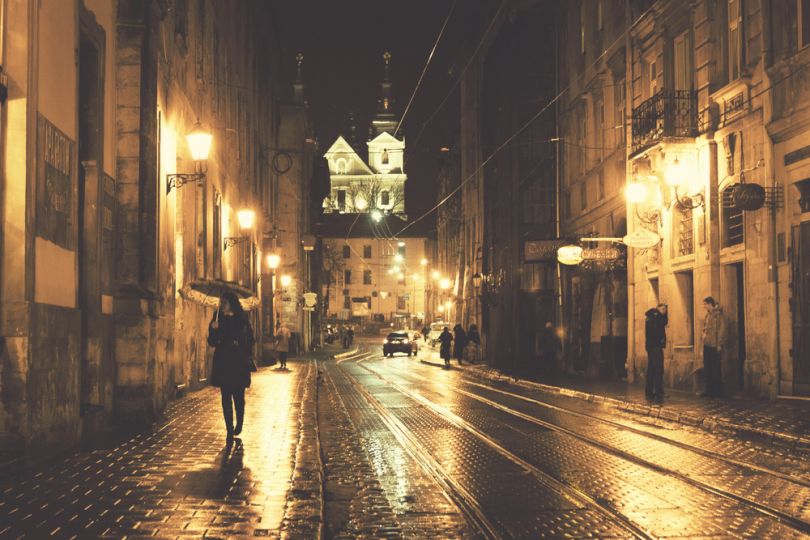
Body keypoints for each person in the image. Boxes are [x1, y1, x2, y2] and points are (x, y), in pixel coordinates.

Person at [208, 292, 254, 443]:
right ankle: (229, 428)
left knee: (238, 395)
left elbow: (250, 340)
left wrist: (241, 345)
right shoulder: (217, 318)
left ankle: (239, 422)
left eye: (225, 302)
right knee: (225, 395)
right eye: (221, 302)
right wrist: (213, 330)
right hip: (223, 360)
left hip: (238, 361)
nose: (222, 305)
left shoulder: (242, 319)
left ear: (232, 303)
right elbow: (213, 342)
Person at [701, 296, 726, 397]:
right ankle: (709, 390)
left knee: (715, 368)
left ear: (710, 304)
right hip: (707, 344)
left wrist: (719, 344)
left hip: (714, 344)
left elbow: (721, 330)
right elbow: (705, 328)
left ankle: (717, 391)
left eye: (705, 304)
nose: (704, 306)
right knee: (707, 368)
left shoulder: (718, 315)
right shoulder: (707, 316)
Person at [644, 304, 668, 403]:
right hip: (655, 347)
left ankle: (649, 391)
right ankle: (658, 392)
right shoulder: (656, 317)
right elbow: (661, 326)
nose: (664, 311)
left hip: (651, 346)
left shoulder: (651, 317)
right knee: (658, 369)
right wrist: (660, 340)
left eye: (665, 310)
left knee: (651, 369)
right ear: (658, 309)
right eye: (663, 309)